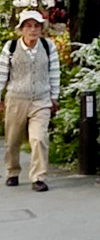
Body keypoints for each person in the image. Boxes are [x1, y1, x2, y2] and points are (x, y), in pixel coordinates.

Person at [1, 10, 61, 192]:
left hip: (41, 99)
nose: (33, 30)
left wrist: (54, 97)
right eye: (28, 26)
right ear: (21, 29)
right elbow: (2, 74)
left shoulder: (48, 46)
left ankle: (38, 177)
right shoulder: (10, 48)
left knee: (39, 138)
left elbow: (54, 73)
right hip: (16, 99)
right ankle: (12, 171)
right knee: (12, 140)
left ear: (41, 29)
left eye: (36, 26)